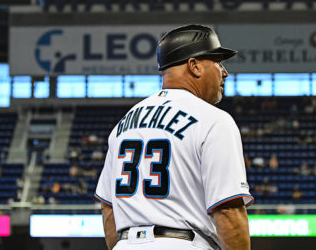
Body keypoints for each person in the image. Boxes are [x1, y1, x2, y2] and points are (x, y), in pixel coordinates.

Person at [94, 25, 253, 250]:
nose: (224, 71)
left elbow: (108, 208)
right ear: (195, 66)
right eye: (218, 62)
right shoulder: (213, 119)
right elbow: (228, 210)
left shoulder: (124, 123)